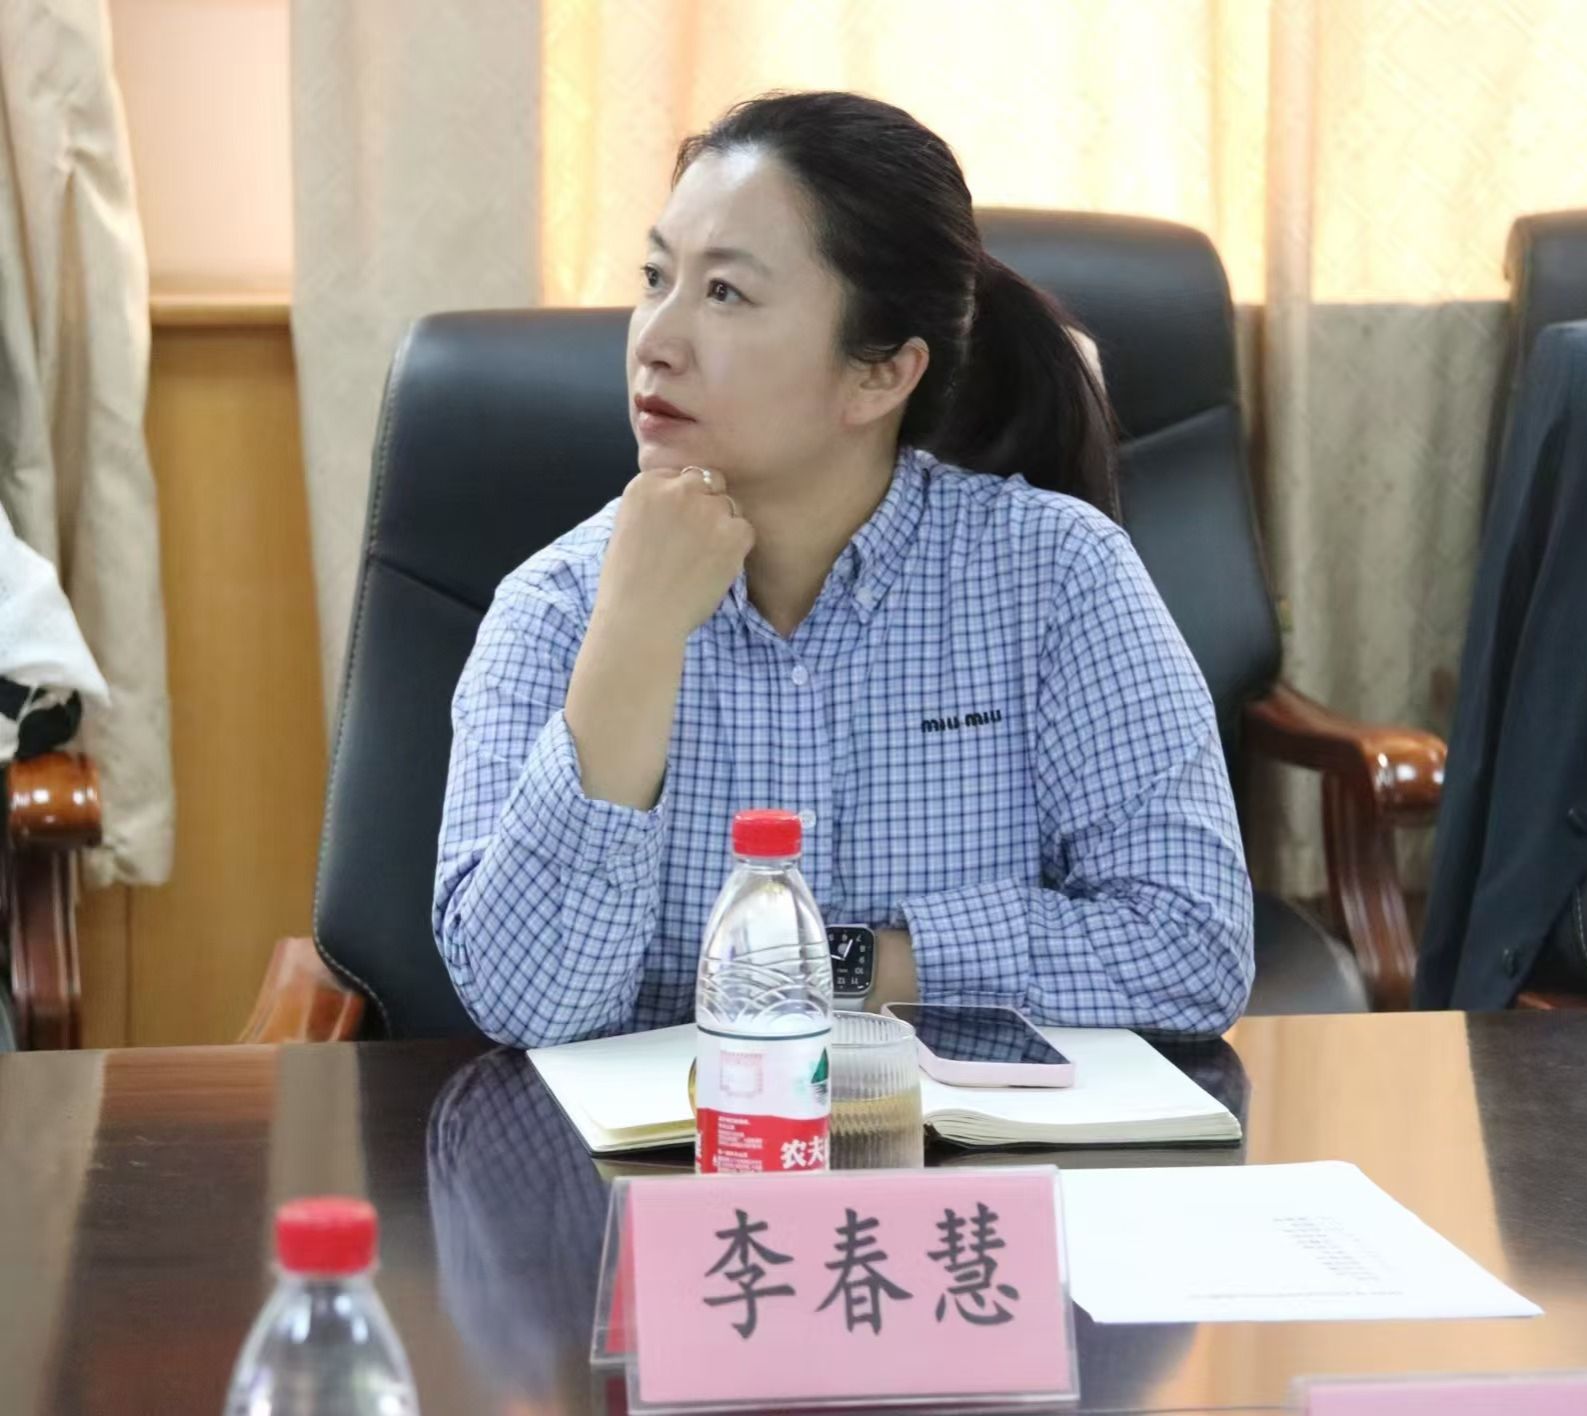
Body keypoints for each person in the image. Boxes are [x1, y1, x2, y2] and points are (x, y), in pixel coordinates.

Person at [434, 90, 1253, 1047]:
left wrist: (824, 967)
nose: (654, 341)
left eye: (725, 293)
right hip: (672, 1142)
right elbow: (527, 1008)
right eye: (656, 277)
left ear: (881, 374)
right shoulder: (560, 605)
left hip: (963, 1136)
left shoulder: (1056, 575)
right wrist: (634, 636)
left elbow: (1192, 947)